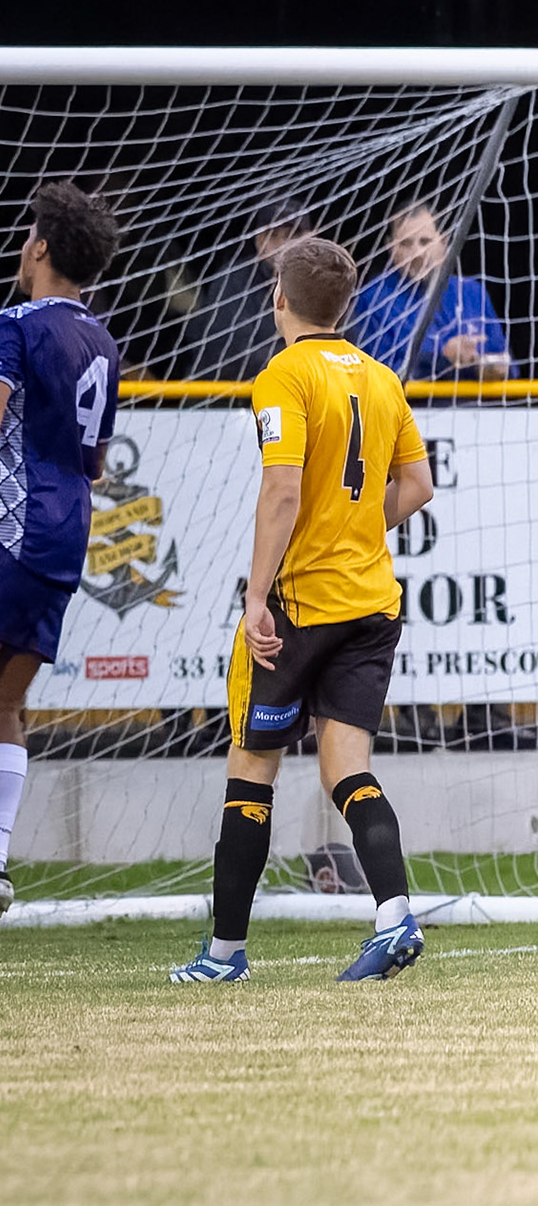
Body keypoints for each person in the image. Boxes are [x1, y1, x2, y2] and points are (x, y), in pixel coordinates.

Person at [171, 237, 434, 983]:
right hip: (372, 604)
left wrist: (256, 597)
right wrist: (353, 530)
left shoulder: (283, 375)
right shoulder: (381, 378)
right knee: (347, 768)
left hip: (300, 606)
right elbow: (416, 488)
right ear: (344, 304)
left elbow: (282, 492)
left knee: (253, 767)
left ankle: (224, 956)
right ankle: (394, 917)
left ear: (279, 299)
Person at [0, 180, 122, 945]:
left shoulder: (12, 321)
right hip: (69, 529)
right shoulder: (102, 340)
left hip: (5, 521)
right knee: (7, 701)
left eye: (25, 235)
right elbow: (97, 458)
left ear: (39, 247)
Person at [350, 201, 512, 382]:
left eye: (425, 242)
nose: (417, 254)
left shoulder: (473, 293)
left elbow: (508, 364)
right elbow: (373, 375)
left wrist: (492, 368)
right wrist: (442, 358)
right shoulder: (373, 299)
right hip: (411, 408)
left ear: (443, 242)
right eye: (405, 244)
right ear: (390, 247)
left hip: (476, 407)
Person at [180, 198, 313, 382]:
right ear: (259, 241)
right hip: (224, 400)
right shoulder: (234, 279)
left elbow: (347, 340)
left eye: (293, 235)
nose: (283, 244)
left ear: (312, 237)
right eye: (273, 235)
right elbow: (235, 356)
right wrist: (308, 361)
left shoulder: (322, 281)